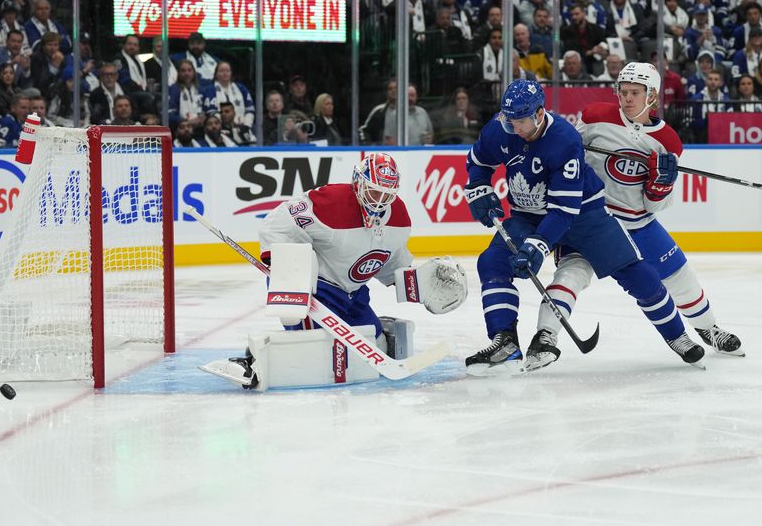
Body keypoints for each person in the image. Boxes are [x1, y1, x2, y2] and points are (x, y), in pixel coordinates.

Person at [463, 79, 706, 374]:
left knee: (635, 271)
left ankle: (676, 335)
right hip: (526, 215)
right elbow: (478, 161)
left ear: (539, 113)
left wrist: (538, 245)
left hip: (583, 214)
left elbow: (564, 211)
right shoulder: (500, 128)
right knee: (491, 263)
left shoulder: (563, 140)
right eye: (509, 120)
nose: (515, 129)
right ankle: (505, 340)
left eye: (522, 122)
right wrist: (479, 187)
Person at [531, 62, 744, 366]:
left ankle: (709, 329)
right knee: (571, 273)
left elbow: (654, 205)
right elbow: (568, 153)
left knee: (681, 276)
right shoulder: (595, 117)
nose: (626, 98)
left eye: (634, 93)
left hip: (637, 222)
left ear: (652, 96)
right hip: (592, 219)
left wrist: (661, 184)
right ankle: (545, 335)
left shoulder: (668, 141)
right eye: (623, 91)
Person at [200, 152, 468, 390]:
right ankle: (251, 360)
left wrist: (417, 285)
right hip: (317, 291)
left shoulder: (399, 217)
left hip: (354, 294)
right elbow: (276, 224)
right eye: (375, 192)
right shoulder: (329, 202)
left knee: (373, 345)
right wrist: (287, 267)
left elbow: (390, 263)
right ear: (359, 183)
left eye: (387, 195)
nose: (380, 201)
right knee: (316, 350)